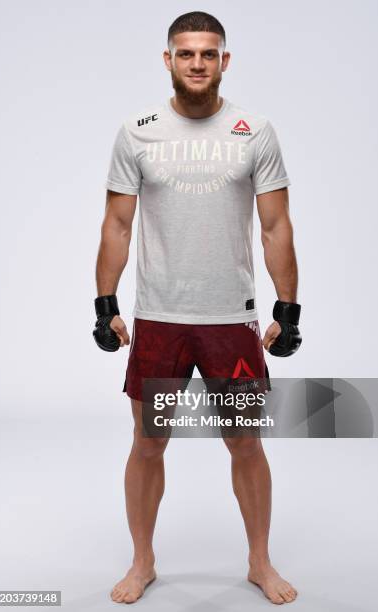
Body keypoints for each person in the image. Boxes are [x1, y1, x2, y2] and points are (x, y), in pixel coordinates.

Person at [93, 11, 301, 606]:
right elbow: (116, 223)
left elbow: (277, 224)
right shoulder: (138, 131)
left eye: (208, 53)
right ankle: (143, 561)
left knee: (246, 443)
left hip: (231, 323)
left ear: (224, 61)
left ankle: (260, 562)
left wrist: (289, 309)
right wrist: (104, 300)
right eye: (186, 53)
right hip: (159, 318)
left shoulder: (253, 129)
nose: (197, 63)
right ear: (168, 60)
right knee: (148, 442)